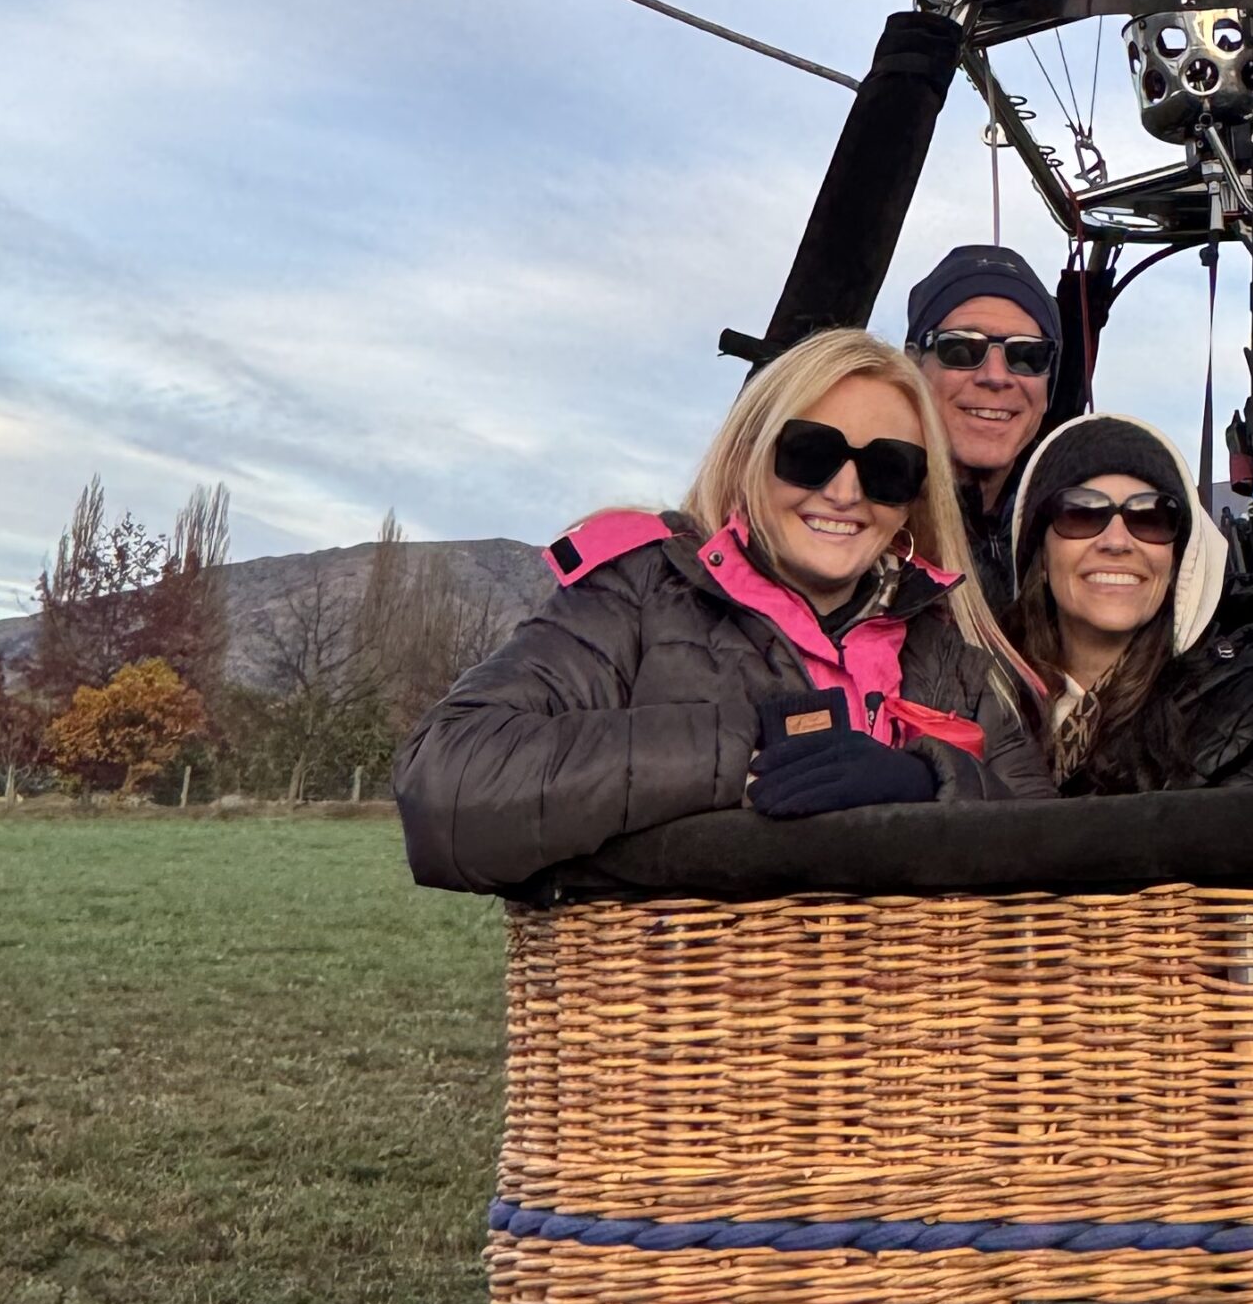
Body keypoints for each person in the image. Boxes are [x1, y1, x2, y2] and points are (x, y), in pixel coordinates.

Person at [396, 329, 1052, 892]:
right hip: (679, 1018)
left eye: (888, 469)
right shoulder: (639, 598)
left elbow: (1058, 854)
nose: (846, 491)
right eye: (810, 454)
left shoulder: (948, 658)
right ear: (748, 455)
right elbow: (448, 782)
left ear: (914, 497)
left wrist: (928, 782)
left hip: (899, 1025)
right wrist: (752, 754)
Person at [1003, 412, 1253, 793]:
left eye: (1150, 517)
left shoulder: (1247, 714)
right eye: (1081, 513)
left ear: (1178, 561)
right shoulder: (975, 692)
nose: (1116, 541)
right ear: (1041, 557)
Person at [903, 241, 1061, 608]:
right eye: (961, 349)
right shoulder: (864, 517)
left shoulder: (1074, 528)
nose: (995, 376)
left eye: (1027, 354)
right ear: (912, 367)